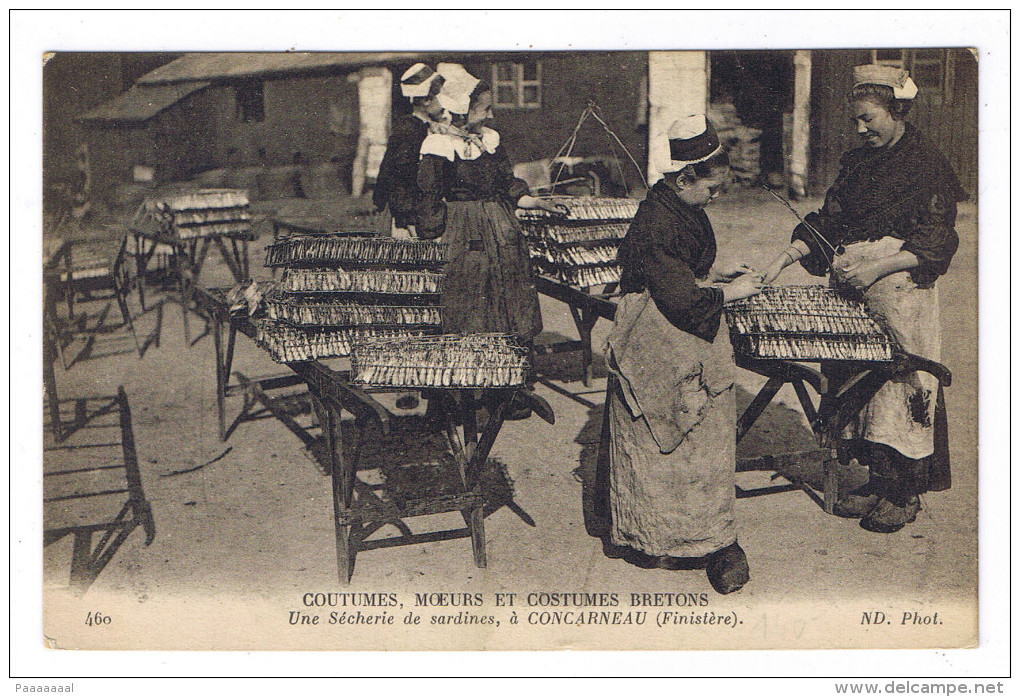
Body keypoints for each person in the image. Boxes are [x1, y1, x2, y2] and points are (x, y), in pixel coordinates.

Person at [758, 65, 965, 533]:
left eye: (869, 118)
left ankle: (903, 492)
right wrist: (784, 258)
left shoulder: (926, 164)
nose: (860, 128)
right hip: (855, 292)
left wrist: (875, 267)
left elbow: (936, 239)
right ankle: (875, 480)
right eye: (856, 120)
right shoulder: (857, 164)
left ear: (896, 112)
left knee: (900, 383)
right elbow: (830, 221)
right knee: (855, 384)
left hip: (901, 293)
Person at [601, 115, 762, 594]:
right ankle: (658, 535)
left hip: (677, 323)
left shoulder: (679, 205)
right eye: (712, 188)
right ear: (684, 177)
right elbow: (680, 299)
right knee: (666, 434)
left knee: (700, 439)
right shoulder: (656, 222)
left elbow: (683, 270)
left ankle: (710, 537)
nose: (716, 197)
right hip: (656, 337)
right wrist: (733, 293)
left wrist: (713, 268)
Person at [416, 66, 565, 419]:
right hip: (461, 232)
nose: (490, 115)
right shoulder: (437, 144)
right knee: (464, 308)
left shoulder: (491, 141)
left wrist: (533, 201)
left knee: (507, 304)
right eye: (483, 109)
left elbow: (506, 185)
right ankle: (451, 398)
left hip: (500, 229)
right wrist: (433, 237)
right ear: (460, 109)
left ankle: (505, 391)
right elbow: (427, 195)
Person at [372, 63, 446, 239]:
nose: (444, 105)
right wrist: (406, 221)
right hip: (406, 217)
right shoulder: (409, 131)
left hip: (422, 212)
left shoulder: (426, 128)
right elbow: (399, 179)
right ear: (426, 100)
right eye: (439, 97)